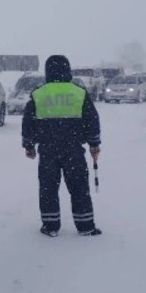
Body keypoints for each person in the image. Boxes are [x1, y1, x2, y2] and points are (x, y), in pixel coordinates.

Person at [22, 55, 102, 237]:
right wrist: (94, 143)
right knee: (79, 188)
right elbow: (91, 120)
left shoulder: (39, 93)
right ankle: (85, 227)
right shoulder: (79, 92)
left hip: (48, 150)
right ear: (68, 70)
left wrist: (29, 145)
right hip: (73, 149)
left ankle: (50, 226)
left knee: (48, 189)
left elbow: (28, 122)